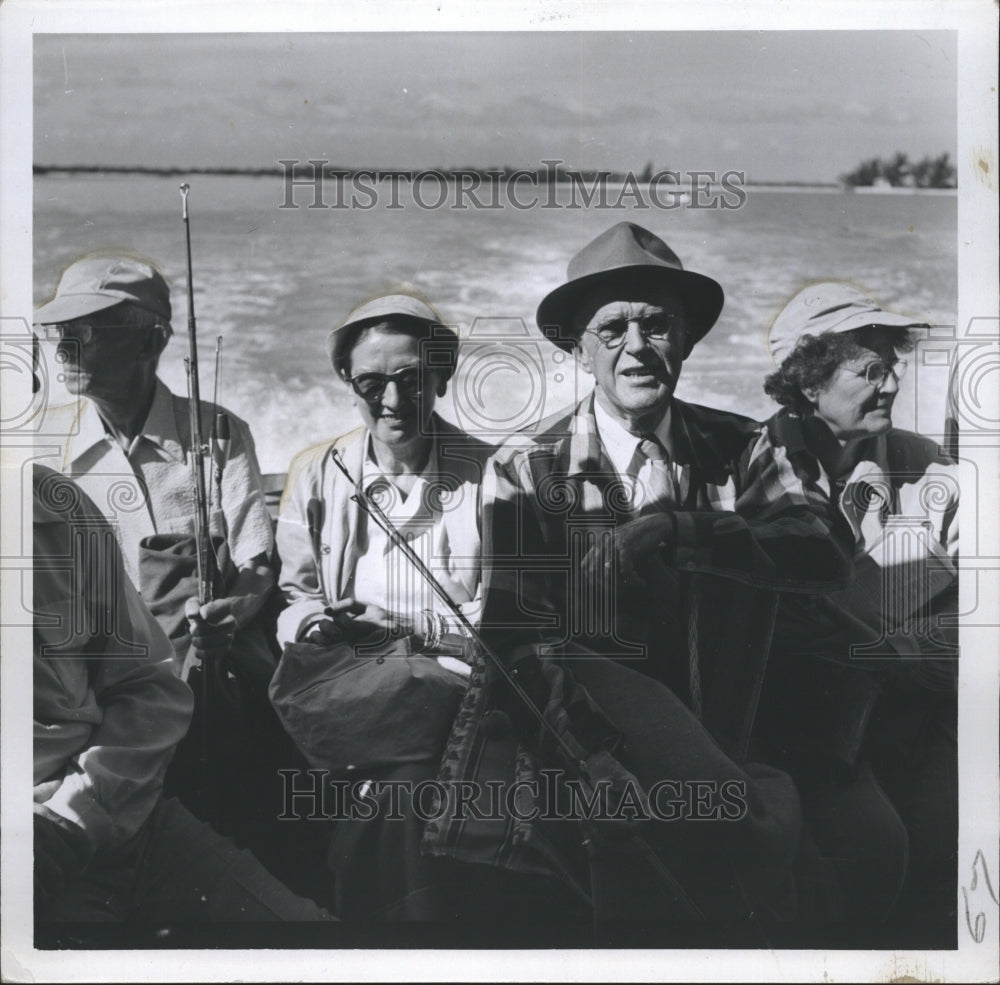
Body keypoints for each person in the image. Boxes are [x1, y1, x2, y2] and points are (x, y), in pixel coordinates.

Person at [477, 222, 860, 930]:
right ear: (578, 348)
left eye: (658, 325)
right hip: (588, 751)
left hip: (738, 736)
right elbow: (509, 635)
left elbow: (822, 549)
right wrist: (590, 758)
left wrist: (677, 529)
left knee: (874, 849)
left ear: (685, 339)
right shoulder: (525, 467)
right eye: (613, 328)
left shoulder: (746, 445)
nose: (638, 346)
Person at [272, 293, 511, 921]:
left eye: (410, 379)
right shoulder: (316, 472)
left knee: (398, 793)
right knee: (397, 789)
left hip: (452, 685)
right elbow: (294, 596)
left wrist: (409, 626)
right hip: (348, 676)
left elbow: (506, 617)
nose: (393, 400)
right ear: (349, 382)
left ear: (439, 377)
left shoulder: (494, 477)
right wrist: (319, 622)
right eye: (373, 382)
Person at [33, 252, 282, 841]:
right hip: (98, 671)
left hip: (204, 664)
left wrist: (232, 611)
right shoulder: (43, 453)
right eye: (59, 331)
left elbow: (258, 562)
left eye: (86, 331)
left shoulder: (218, 433)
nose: (66, 347)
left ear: (151, 341)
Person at [32, 463, 331, 933]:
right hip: (29, 854)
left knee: (323, 943)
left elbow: (146, 681)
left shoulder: (50, 497)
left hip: (129, 813)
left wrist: (79, 814)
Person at [752, 282, 958, 940]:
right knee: (876, 845)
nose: (892, 383)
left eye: (892, 365)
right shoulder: (747, 475)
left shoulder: (926, 468)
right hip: (801, 735)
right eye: (870, 369)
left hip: (920, 714)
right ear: (808, 383)